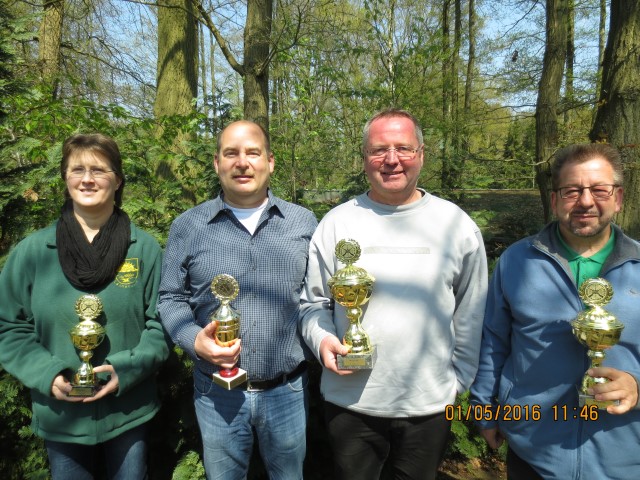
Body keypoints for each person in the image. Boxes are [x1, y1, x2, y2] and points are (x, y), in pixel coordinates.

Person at [299, 108, 488, 479]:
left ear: (421, 154)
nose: (391, 160)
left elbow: (472, 309)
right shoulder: (337, 222)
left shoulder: (455, 225)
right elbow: (313, 304)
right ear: (364, 157)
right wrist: (321, 340)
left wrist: (458, 382)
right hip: (350, 403)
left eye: (403, 148)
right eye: (378, 150)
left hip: (429, 405)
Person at [0, 133, 169, 479]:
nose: (87, 179)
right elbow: (7, 325)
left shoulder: (145, 250)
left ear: (118, 180)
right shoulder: (32, 253)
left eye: (99, 170)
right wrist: (48, 375)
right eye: (77, 169)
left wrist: (129, 369)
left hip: (127, 412)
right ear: (65, 178)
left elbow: (163, 323)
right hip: (61, 414)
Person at [158, 120, 318, 480]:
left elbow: (316, 299)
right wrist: (193, 340)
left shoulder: (303, 222)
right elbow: (170, 297)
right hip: (216, 393)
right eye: (231, 153)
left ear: (270, 162)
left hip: (287, 390)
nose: (242, 162)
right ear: (217, 163)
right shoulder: (188, 226)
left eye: (252, 153)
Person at [469, 143, 640, 479]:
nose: (586, 201)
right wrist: (485, 410)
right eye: (572, 190)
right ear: (555, 200)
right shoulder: (517, 261)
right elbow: (493, 341)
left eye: (599, 190)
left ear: (618, 198)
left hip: (624, 457)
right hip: (534, 453)